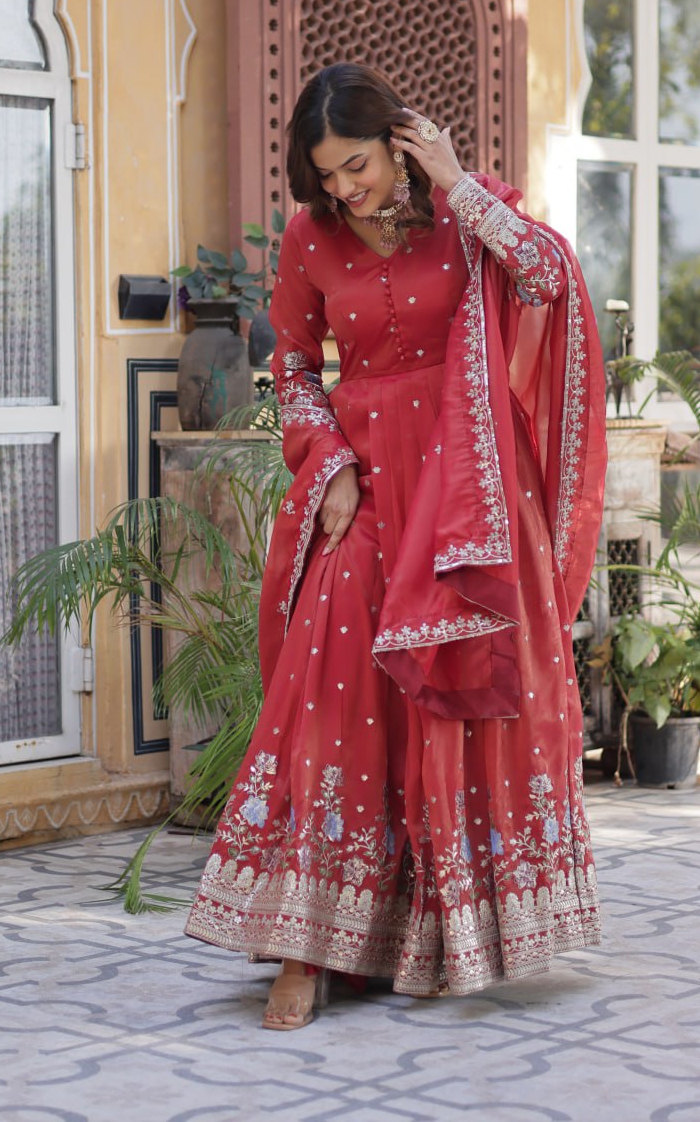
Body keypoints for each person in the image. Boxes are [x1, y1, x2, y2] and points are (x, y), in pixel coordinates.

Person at [184, 62, 607, 1030]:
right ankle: (306, 942)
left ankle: (444, 932)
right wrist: (324, 456)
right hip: (366, 484)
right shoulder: (309, 237)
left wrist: (456, 182)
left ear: (396, 140)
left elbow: (547, 276)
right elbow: (291, 363)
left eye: (357, 165)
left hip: (464, 495)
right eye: (326, 175)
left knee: (448, 701)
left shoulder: (462, 212)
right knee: (329, 696)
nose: (344, 188)